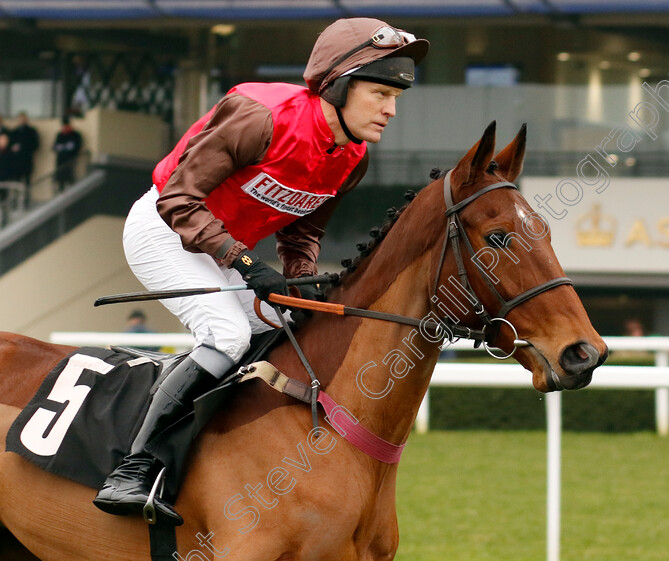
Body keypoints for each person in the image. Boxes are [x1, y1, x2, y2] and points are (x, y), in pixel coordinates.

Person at [93, 17, 429, 524]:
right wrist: (248, 264)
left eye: (396, 97)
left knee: (289, 330)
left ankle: (221, 455)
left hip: (222, 249)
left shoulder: (351, 156)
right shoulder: (260, 116)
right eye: (380, 93)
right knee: (227, 336)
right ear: (337, 85)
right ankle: (132, 470)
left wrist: (298, 281)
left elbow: (301, 233)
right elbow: (180, 200)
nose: (391, 109)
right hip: (162, 227)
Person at [10, 112, 40, 206]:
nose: (22, 121)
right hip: (16, 163)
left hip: (27, 161)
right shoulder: (14, 132)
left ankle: (26, 202)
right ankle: (14, 202)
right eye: (20, 119)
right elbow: (9, 146)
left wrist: (23, 147)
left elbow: (36, 145)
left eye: (24, 119)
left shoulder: (31, 131)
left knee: (27, 183)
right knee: (16, 184)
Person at [52, 115, 82, 192]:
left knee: (70, 179)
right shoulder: (60, 135)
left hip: (70, 161)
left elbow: (77, 147)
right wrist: (62, 147)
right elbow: (54, 147)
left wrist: (68, 149)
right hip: (61, 161)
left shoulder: (75, 135)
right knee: (60, 180)